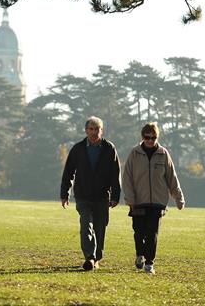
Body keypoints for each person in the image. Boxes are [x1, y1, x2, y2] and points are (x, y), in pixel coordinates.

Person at [122, 122, 185, 275]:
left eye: (153, 137)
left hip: (158, 202)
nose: (150, 140)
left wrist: (179, 198)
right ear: (142, 137)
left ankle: (149, 263)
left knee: (152, 234)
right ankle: (140, 255)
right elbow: (127, 177)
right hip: (138, 201)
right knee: (139, 232)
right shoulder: (134, 153)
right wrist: (130, 198)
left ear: (157, 137)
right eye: (147, 137)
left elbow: (172, 177)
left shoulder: (163, 154)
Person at [61, 116, 120, 271]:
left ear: (102, 130)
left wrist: (115, 196)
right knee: (86, 225)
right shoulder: (78, 149)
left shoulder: (109, 149)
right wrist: (65, 193)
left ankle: (96, 257)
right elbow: (69, 172)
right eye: (91, 129)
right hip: (83, 195)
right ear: (86, 130)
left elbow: (115, 174)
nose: (94, 132)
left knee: (100, 227)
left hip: (102, 196)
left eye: (97, 129)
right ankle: (90, 257)